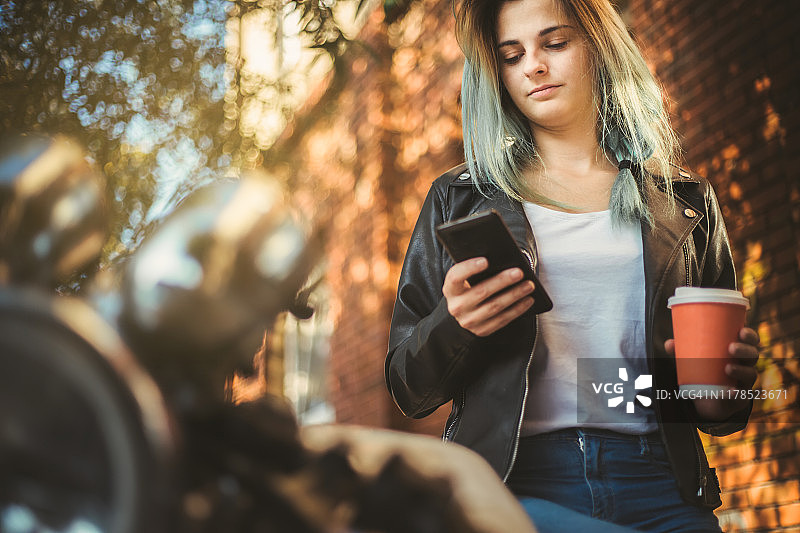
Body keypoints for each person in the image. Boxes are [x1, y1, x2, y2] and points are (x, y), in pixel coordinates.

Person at [384, 0, 760, 531]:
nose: (533, 66)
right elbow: (408, 386)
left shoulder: (686, 202)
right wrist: (456, 325)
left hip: (663, 484)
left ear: (599, 48)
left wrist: (723, 395)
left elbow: (718, 408)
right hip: (514, 486)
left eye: (554, 43)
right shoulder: (460, 197)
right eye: (512, 57)